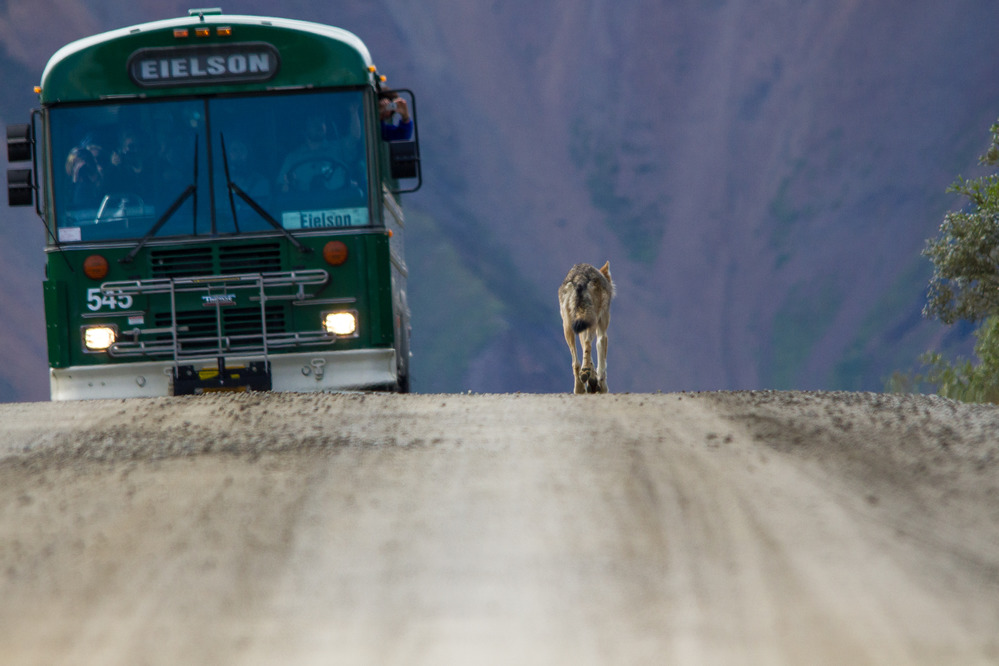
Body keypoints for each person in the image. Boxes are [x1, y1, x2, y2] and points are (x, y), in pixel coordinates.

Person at [277, 115, 357, 193]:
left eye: (321, 121)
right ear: (305, 129)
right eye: (313, 123)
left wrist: (354, 112)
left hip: (339, 202)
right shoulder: (293, 158)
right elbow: (281, 186)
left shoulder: (338, 148)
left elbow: (354, 138)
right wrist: (286, 186)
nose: (319, 126)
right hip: (305, 204)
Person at [64, 134, 106, 208]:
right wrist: (75, 181)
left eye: (98, 160)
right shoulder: (61, 191)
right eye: (76, 165)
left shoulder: (105, 181)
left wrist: (101, 180)